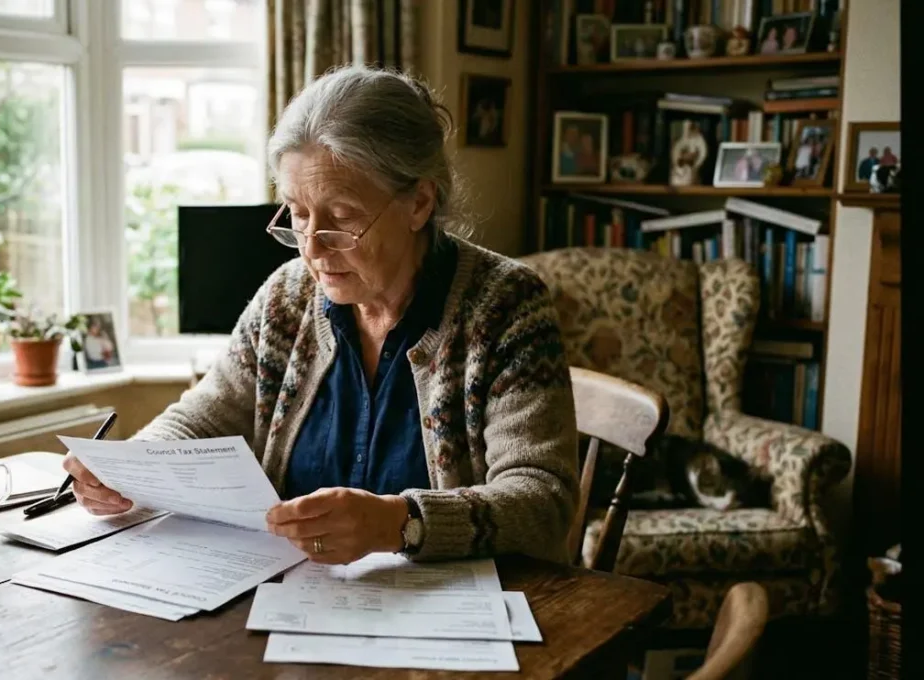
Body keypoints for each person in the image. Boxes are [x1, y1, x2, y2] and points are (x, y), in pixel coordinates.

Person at [62, 66, 579, 566]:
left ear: (420, 202)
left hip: (461, 612)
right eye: (298, 213)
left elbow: (543, 499)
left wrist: (402, 522)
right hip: (296, 599)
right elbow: (205, 415)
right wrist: (133, 469)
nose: (311, 247)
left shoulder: (506, 306)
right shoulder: (287, 298)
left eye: (343, 217)